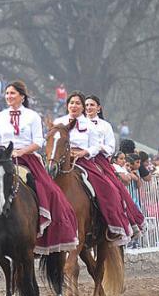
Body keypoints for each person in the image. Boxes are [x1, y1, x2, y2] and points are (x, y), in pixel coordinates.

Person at [0, 81, 79, 254]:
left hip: (27, 158)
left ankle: (48, 232)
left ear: (22, 96)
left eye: (12, 93)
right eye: (7, 93)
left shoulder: (32, 116)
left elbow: (38, 141)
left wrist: (21, 151)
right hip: (3, 158)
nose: (9, 96)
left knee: (50, 191)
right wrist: (2, 150)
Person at [53, 92, 132, 245]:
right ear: (67, 105)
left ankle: (111, 224)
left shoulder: (92, 125)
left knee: (107, 187)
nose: (74, 106)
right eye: (71, 103)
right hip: (61, 160)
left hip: (83, 160)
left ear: (82, 107)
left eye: (78, 103)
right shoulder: (59, 122)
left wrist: (84, 152)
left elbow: (97, 146)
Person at [84, 94, 145, 234]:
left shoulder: (105, 126)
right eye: (86, 105)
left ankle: (117, 220)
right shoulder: (76, 124)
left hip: (98, 160)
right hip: (80, 158)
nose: (88, 108)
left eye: (91, 105)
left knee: (112, 188)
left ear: (98, 108)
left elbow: (111, 148)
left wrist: (98, 148)